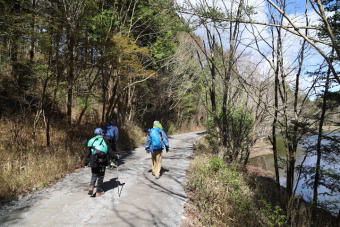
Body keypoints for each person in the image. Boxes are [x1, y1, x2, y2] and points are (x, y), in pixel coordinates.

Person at [84, 128, 113, 197]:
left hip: (93, 161)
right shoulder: (105, 139)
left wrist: (86, 162)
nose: (103, 133)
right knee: (101, 176)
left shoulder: (91, 140)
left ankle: (91, 187)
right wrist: (115, 158)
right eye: (102, 132)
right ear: (101, 133)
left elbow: (88, 153)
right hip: (103, 161)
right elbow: (110, 152)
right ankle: (99, 191)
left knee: (94, 175)